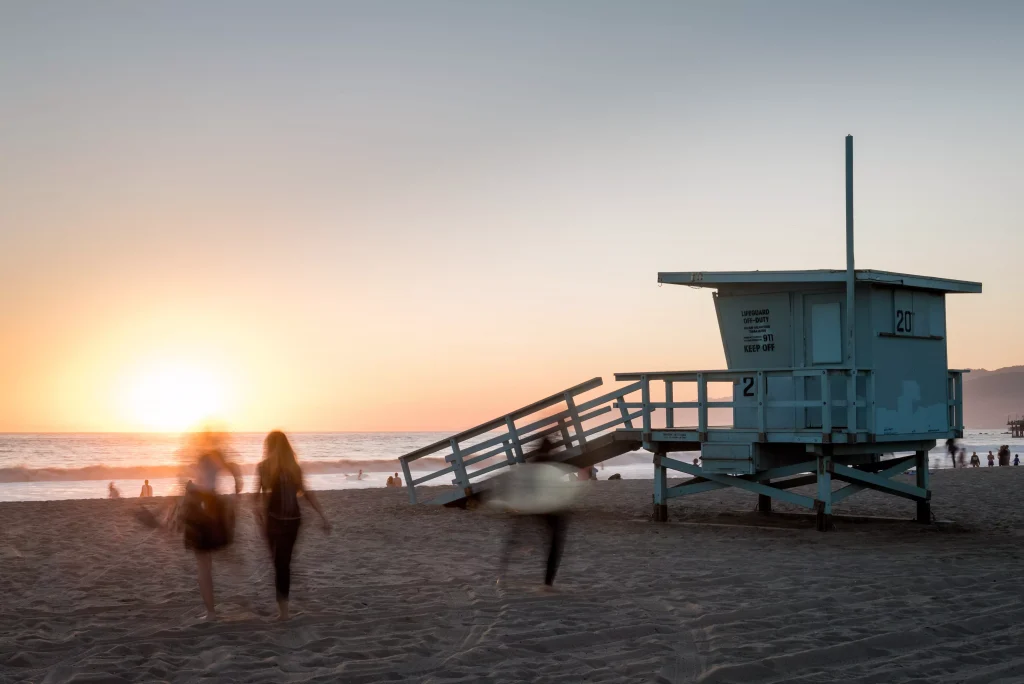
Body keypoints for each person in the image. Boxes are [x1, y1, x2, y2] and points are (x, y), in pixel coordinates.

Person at [254, 431, 330, 621]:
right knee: (283, 564)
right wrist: (323, 516)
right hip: (293, 520)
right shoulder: (294, 468)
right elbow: (306, 493)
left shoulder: (263, 467)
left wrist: (259, 516)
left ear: (268, 446)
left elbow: (256, 497)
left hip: (273, 520)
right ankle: (284, 610)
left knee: (279, 564)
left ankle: (283, 613)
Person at [180, 430, 243, 620]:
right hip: (212, 505)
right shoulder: (216, 456)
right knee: (208, 560)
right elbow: (232, 467)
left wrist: (191, 487)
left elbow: (205, 486)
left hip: (203, 507)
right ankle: (211, 610)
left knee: (203, 566)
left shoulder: (207, 456)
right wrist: (237, 485)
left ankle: (211, 613)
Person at [496, 439, 571, 591]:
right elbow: (555, 487)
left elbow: (522, 484)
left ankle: (501, 576)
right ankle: (547, 583)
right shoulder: (550, 463)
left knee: (514, 539)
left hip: (529, 506)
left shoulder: (532, 463)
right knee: (554, 544)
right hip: (547, 508)